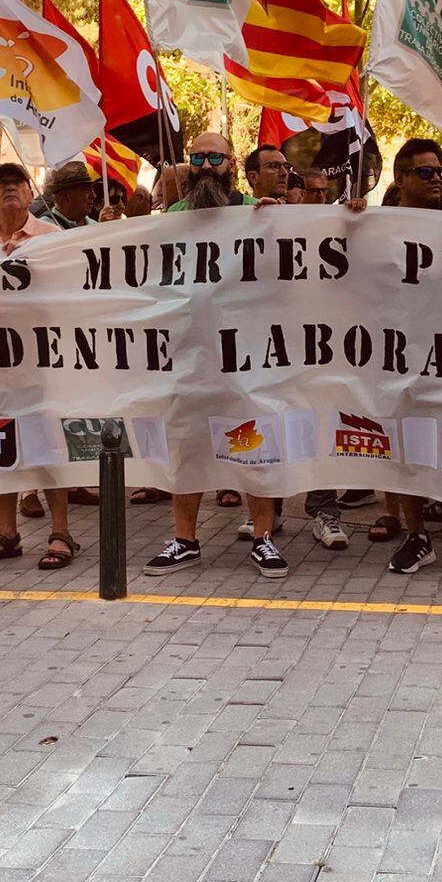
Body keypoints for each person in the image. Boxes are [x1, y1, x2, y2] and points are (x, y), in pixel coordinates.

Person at [143, 131, 291, 579]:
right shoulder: (172, 215)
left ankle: (263, 538)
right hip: (189, 352)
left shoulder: (254, 211)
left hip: (246, 354)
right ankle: (185, 540)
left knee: (254, 444)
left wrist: (279, 221)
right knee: (187, 446)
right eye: (199, 157)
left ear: (231, 165)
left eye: (216, 158)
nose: (207, 166)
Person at [370, 139, 442, 584]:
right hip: (396, 353)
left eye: (439, 170)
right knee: (404, 445)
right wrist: (352, 220)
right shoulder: (377, 224)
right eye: (424, 172)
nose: (436, 177)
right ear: (399, 180)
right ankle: (417, 536)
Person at [0, 164, 81, 570]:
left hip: (38, 360)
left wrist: (32, 265)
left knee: (46, 443)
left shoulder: (51, 239)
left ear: (30, 194)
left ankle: (61, 532)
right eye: (1, 184)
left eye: (17, 184)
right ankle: (6, 533)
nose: (10, 189)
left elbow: (72, 292)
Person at [0, 162, 62, 249]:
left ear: (31, 196)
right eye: (2, 182)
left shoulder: (53, 237)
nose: (11, 187)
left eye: (18, 182)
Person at [39, 162, 103, 228]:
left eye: (92, 188)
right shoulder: (42, 230)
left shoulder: (94, 226)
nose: (93, 195)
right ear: (64, 195)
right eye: (86, 189)